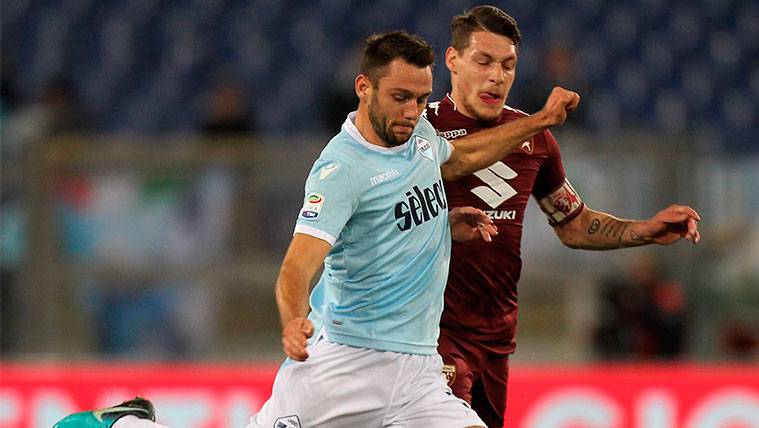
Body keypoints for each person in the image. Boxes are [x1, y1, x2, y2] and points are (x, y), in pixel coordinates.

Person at [53, 30, 579, 428]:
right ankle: (124, 423)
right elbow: (297, 265)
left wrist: (445, 216)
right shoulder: (341, 169)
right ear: (363, 87)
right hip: (345, 365)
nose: (414, 111)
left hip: (419, 371)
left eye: (422, 98)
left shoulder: (417, 133)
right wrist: (291, 320)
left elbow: (456, 158)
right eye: (400, 97)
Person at [424, 6, 701, 428]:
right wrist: (539, 121)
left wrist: (645, 230)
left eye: (508, 65)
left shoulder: (536, 141)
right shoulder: (423, 130)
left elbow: (572, 223)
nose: (497, 76)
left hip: (496, 336)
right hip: (430, 330)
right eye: (483, 61)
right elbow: (452, 162)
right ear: (452, 60)